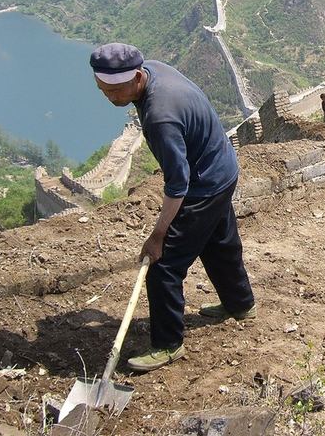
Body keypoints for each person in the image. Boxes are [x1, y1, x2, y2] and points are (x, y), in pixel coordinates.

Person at [90, 43, 255, 373]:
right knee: (219, 243)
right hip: (222, 167)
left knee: (163, 266)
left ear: (137, 77)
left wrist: (157, 235)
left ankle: (167, 344)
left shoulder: (160, 116)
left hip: (203, 185)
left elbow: (178, 186)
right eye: (103, 90)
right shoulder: (152, 68)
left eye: (114, 90)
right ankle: (241, 305)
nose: (109, 97)